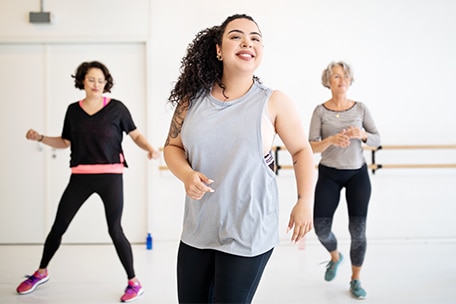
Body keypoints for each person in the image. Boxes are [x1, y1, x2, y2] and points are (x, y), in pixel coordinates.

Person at [163, 14, 315, 304]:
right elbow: (172, 147)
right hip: (198, 229)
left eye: (255, 38)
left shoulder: (273, 101)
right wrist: (185, 174)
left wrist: (305, 200)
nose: (248, 42)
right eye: (236, 36)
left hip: (249, 231)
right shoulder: (190, 100)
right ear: (218, 50)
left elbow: (301, 151)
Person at [17, 61, 160, 303]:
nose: (96, 84)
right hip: (80, 176)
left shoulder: (117, 108)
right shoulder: (73, 110)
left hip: (111, 176)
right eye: (91, 79)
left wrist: (150, 148)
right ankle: (41, 272)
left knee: (115, 229)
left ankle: (134, 283)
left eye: (101, 80)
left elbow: (135, 134)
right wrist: (40, 137)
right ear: (83, 80)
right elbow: (65, 142)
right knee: (59, 225)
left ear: (106, 83)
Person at [308, 61, 381, 299]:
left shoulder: (360, 109)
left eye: (346, 76)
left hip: (357, 175)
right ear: (328, 81)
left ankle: (355, 279)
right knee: (320, 228)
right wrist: (330, 141)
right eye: (337, 76)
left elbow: (377, 139)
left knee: (358, 232)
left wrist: (363, 135)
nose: (342, 80)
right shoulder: (320, 111)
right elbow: (310, 146)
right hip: (329, 174)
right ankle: (335, 256)